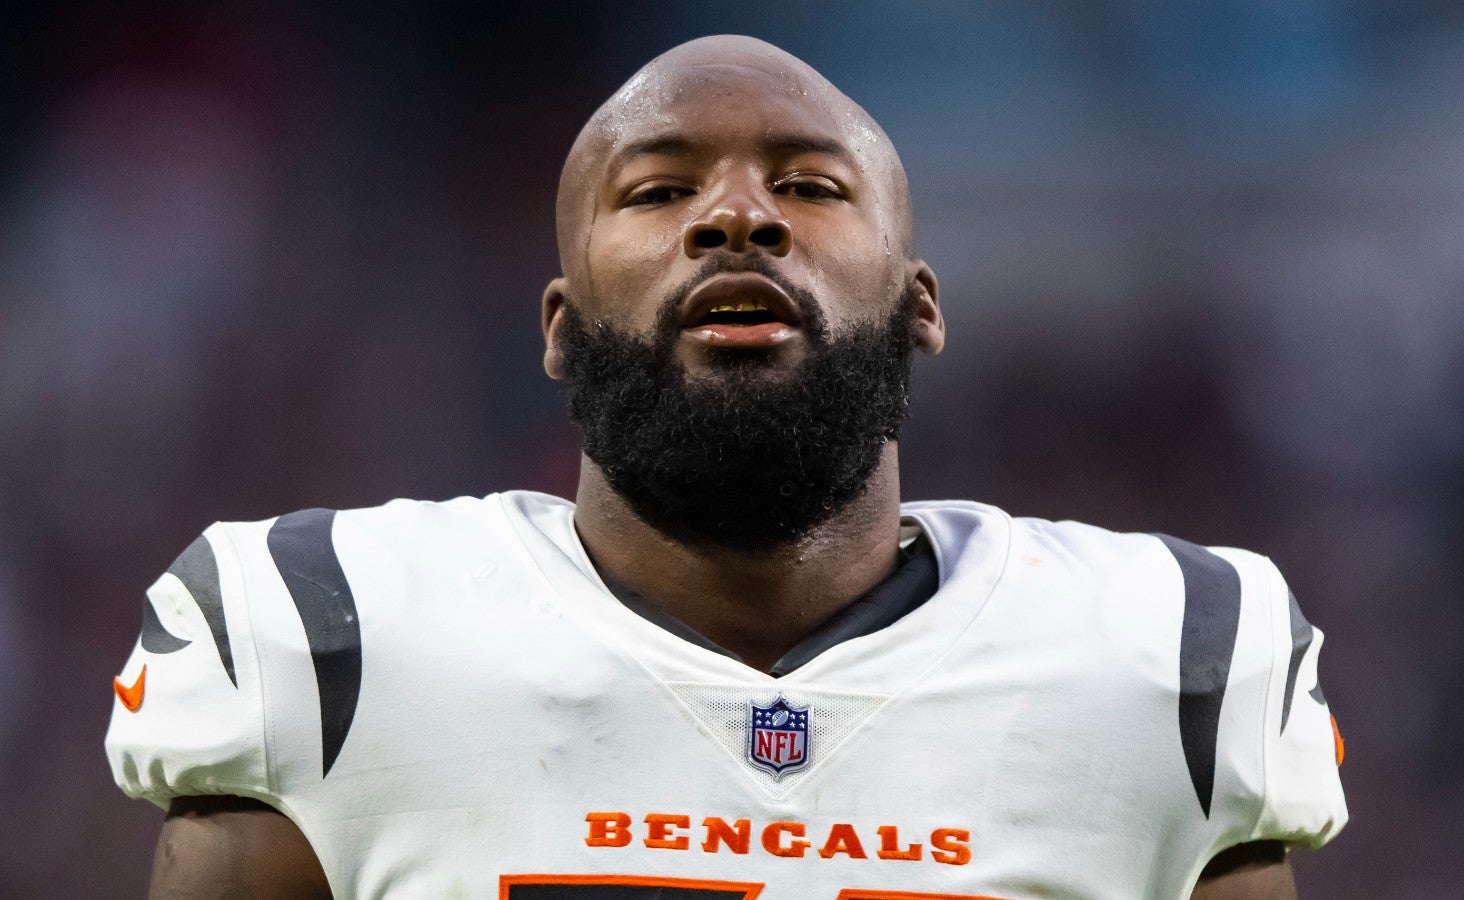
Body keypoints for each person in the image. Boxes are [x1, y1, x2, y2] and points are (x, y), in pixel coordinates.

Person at [105, 35, 1346, 899]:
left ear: (921, 303)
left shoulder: (1173, 660)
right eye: (658, 190)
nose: (738, 216)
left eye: (808, 184)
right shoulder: (320, 638)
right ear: (557, 325)